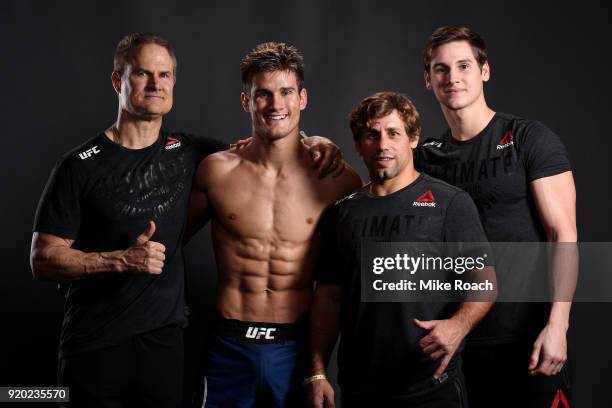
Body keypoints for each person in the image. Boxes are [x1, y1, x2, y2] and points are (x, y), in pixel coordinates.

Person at [30, 33, 343, 408]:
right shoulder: (82, 165)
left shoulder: (194, 153)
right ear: (119, 81)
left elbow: (269, 148)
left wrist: (315, 141)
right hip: (100, 340)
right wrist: (117, 260)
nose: (155, 84)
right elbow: (42, 258)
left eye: (164, 74)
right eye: (143, 74)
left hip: (165, 343)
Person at [187, 42, 362, 408]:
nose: (275, 104)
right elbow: (166, 243)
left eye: (285, 92)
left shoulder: (338, 181)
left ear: (302, 98)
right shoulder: (217, 171)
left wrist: (318, 369)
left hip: (296, 348)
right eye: (263, 94)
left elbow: (345, 282)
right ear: (246, 102)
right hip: (228, 343)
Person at [417, 25, 577, 407]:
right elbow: (376, 179)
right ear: (428, 80)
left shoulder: (528, 138)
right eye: (441, 69)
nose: (452, 77)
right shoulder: (425, 157)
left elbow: (564, 234)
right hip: (458, 341)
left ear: (484, 71)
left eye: (464, 65)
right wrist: (315, 146)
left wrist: (558, 325)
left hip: (530, 339)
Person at [307, 92, 494, 408]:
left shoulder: (449, 203)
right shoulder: (342, 213)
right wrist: (316, 372)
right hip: (361, 391)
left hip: (432, 389)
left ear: (413, 138)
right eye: (372, 134)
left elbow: (484, 283)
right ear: (358, 143)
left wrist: (457, 326)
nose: (382, 145)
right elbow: (329, 298)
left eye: (393, 133)